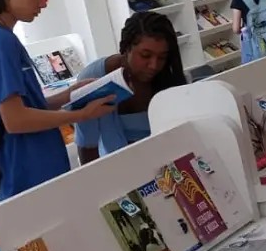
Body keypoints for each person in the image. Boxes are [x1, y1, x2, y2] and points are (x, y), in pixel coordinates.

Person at [0, 0, 115, 199]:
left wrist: (69, 95)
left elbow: (25, 107)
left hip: (36, 174)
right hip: (26, 179)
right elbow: (16, 121)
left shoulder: (1, 38)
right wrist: (79, 115)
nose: (44, 3)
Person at [75, 11, 187, 164]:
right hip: (118, 167)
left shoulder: (169, 77)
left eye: (162, 57)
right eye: (145, 55)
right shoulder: (94, 79)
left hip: (168, 160)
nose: (154, 66)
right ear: (126, 48)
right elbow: (87, 147)